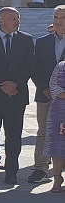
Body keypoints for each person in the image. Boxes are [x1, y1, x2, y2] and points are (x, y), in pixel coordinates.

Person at [0, 7, 35, 184]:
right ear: (1, 20)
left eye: (18, 18)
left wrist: (15, 83)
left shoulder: (26, 40)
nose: (18, 22)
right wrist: (2, 85)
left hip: (16, 96)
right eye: (13, 19)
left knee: (13, 136)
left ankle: (11, 172)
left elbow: (29, 65)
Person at [29, 6, 65, 183]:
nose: (58, 21)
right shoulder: (42, 42)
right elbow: (35, 68)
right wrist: (45, 88)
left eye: (63, 18)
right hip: (46, 95)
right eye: (56, 17)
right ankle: (40, 168)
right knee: (43, 132)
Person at [43, 59, 65, 192]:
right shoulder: (61, 66)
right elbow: (53, 85)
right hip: (59, 112)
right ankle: (57, 179)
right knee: (58, 146)